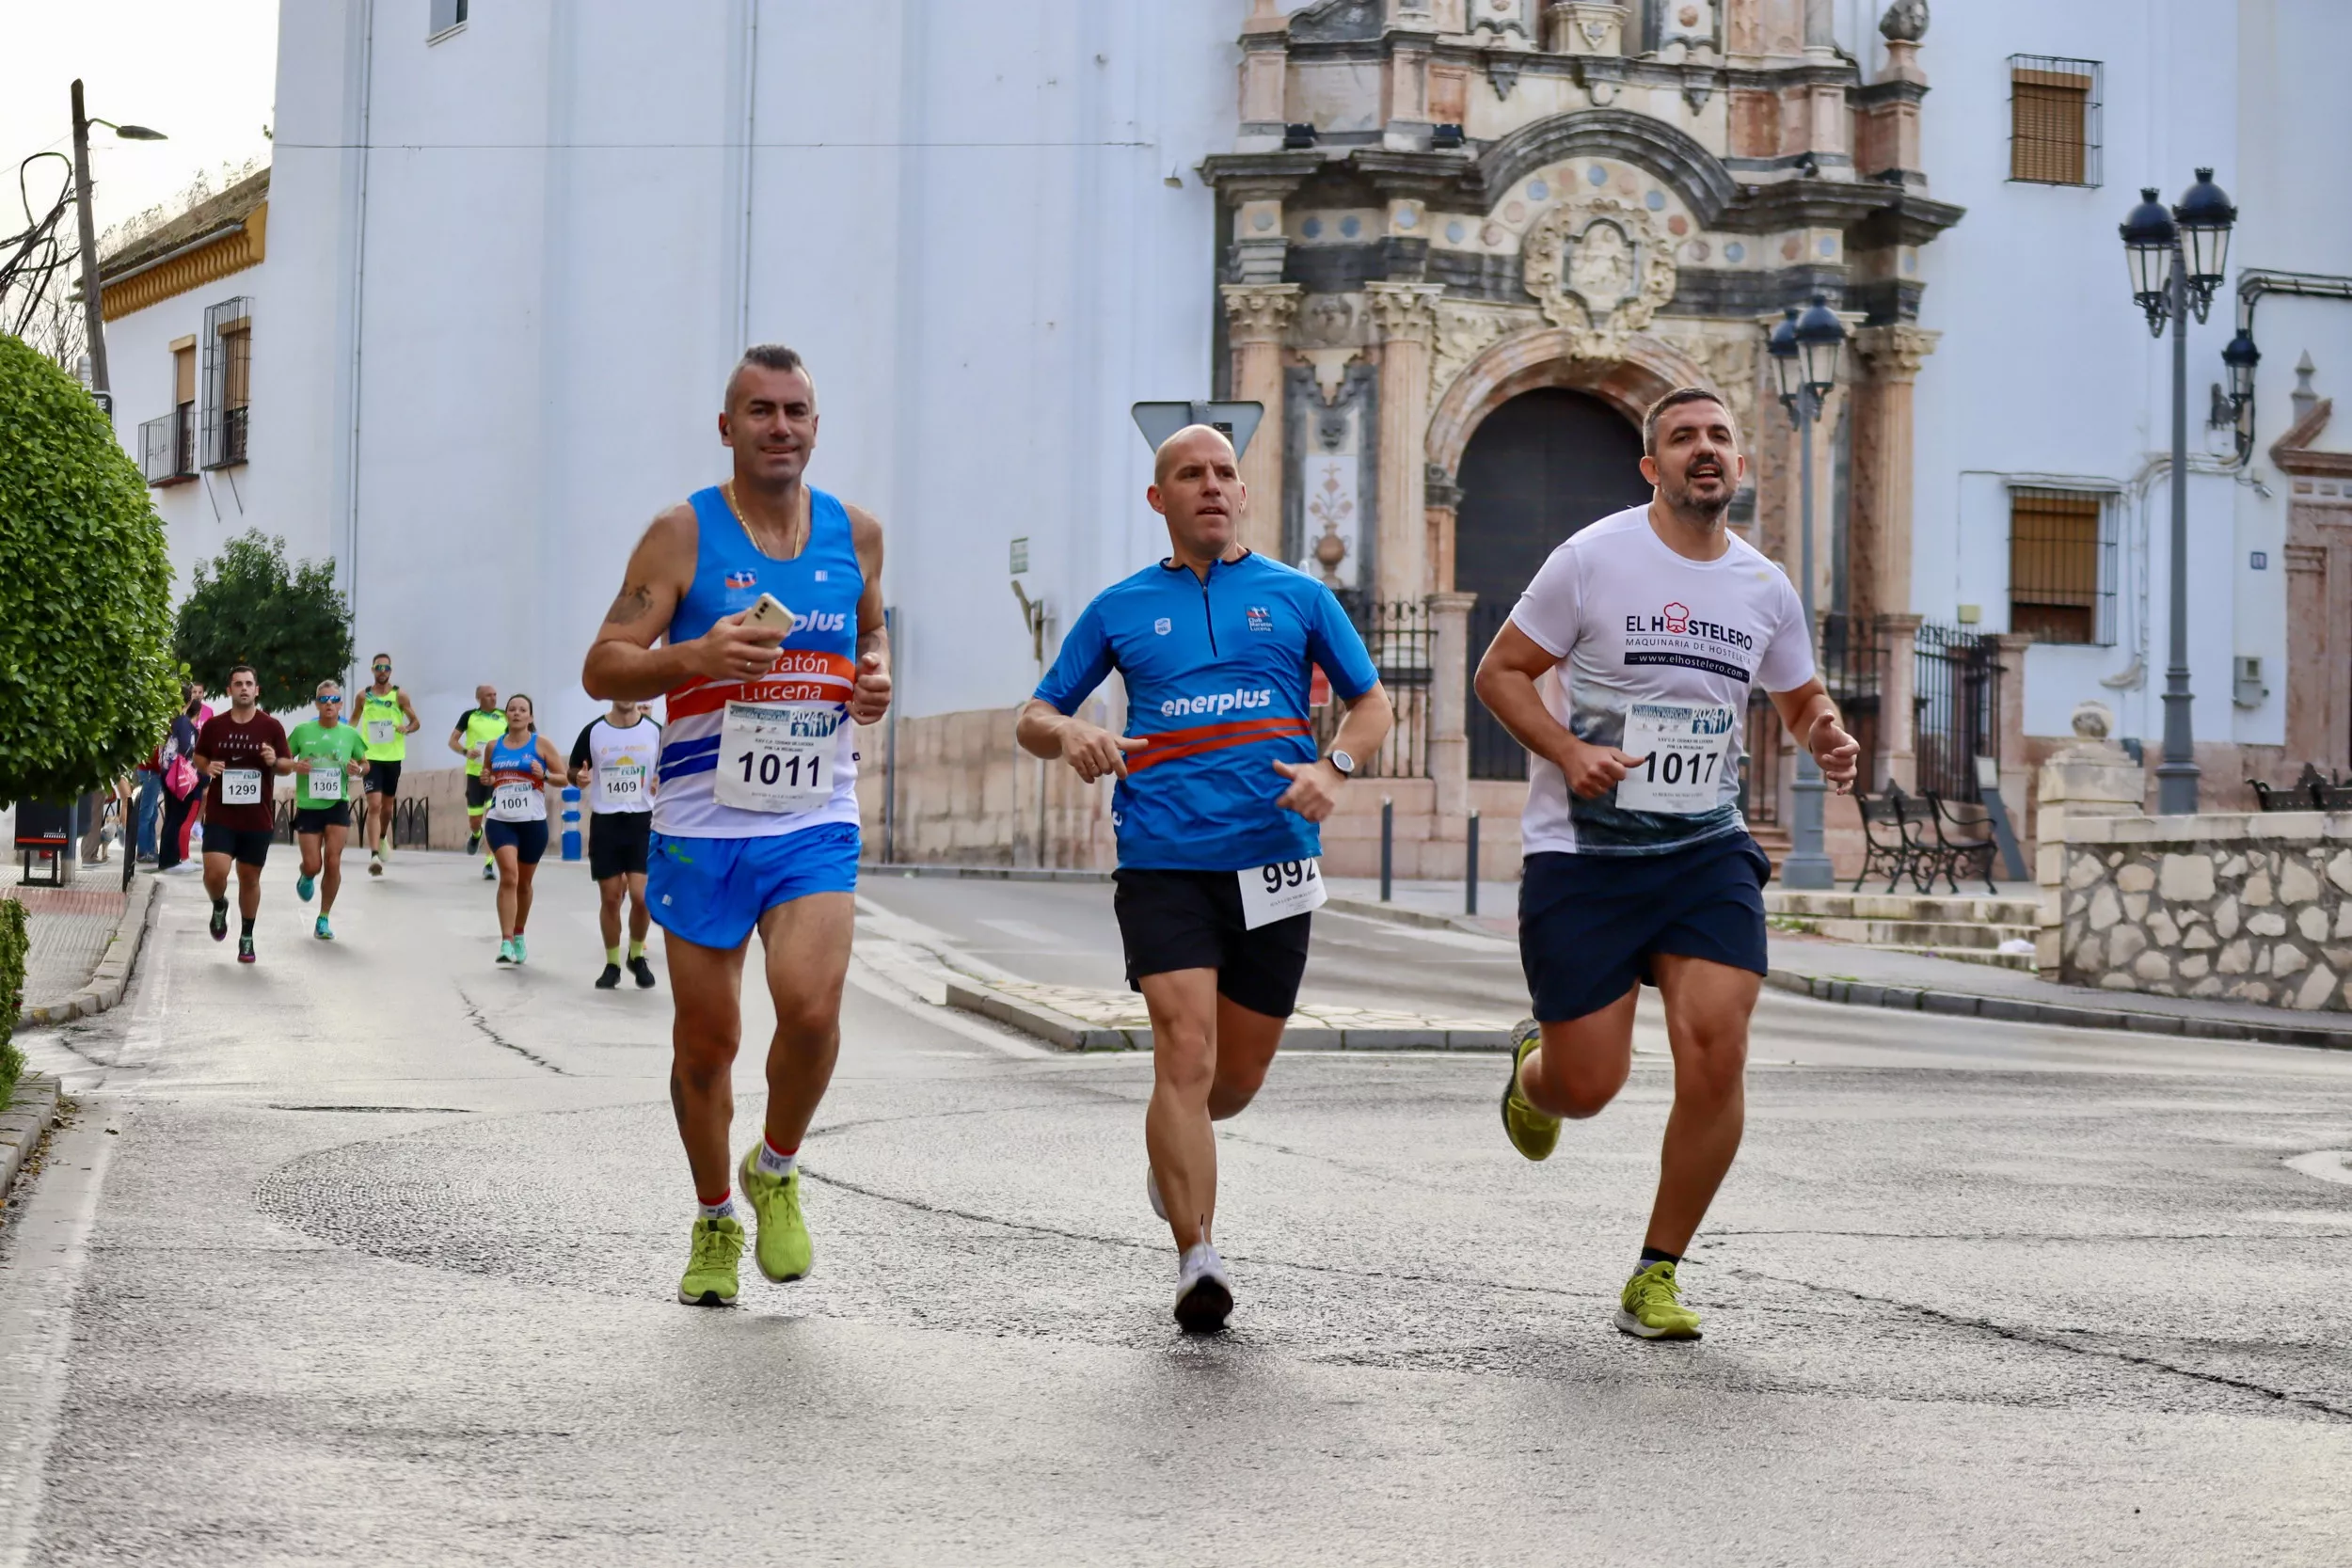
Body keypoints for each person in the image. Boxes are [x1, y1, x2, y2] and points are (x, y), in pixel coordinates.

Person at [1473, 387, 1860, 1342]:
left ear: (1740, 464)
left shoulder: (1763, 586)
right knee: (1589, 1084)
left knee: (1716, 1041)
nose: (1703, 450)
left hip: (1703, 850)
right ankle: (1537, 1072)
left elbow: (1800, 694)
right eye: (1681, 437)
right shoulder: (1591, 559)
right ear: (1650, 465)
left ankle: (1657, 1270)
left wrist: (1826, 733)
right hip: (1586, 854)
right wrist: (1568, 752)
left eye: (1718, 436)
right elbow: (1498, 672)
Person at [1017, 424, 1392, 1334]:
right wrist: (1071, 734)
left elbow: (1372, 703)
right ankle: (1197, 1255)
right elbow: (1035, 713)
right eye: (1192, 474)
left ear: (1244, 494)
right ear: (1161, 499)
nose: (1213, 486)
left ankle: (1173, 1148)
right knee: (1184, 1053)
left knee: (1233, 1078)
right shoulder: (1120, 608)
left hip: (1273, 862)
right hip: (1163, 861)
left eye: (1226, 472)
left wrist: (1332, 770)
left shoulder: (1299, 598)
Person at [582, 343, 891, 1308]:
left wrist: (875, 673)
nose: (780, 427)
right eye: (759, 411)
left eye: (795, 410)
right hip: (700, 819)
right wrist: (694, 654)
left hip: (814, 812)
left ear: (814, 422)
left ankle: (779, 1164)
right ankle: (716, 1211)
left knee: (810, 1008)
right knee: (706, 1040)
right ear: (728, 426)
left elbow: (872, 625)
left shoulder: (858, 533)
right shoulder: (681, 535)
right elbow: (603, 664)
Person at [190, 664, 292, 964]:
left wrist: (274, 761)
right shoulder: (215, 726)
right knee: (214, 874)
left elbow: (287, 765)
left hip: (256, 819)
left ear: (256, 690)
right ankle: (219, 905)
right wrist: (206, 768)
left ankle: (246, 936)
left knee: (249, 879)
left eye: (249, 683)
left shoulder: (271, 727)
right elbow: (199, 756)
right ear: (229, 690)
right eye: (238, 684)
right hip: (222, 816)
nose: (244, 688)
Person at [569, 697, 662, 990]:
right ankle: (612, 963)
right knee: (610, 898)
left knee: (641, 895)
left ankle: (636, 955)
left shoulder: (655, 730)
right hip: (607, 822)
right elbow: (573, 770)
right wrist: (579, 777)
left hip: (642, 822)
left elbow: (672, 768)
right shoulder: (593, 731)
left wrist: (663, 779)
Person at [482, 693, 565, 965]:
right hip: (500, 819)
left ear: (530, 717)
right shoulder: (494, 747)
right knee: (509, 875)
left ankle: (519, 934)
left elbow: (564, 777)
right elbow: (487, 775)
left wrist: (545, 775)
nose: (516, 713)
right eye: (512, 709)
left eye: (522, 710)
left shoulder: (541, 744)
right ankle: (505, 941)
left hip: (532, 822)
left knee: (524, 883)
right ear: (506, 715)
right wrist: (488, 778)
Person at [287, 678, 370, 941]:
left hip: (337, 804)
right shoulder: (302, 731)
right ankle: (306, 874)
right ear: (317, 704)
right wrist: (294, 766)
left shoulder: (350, 734)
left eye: (334, 700)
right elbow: (282, 759)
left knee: (333, 862)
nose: (329, 705)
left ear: (341, 704)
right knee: (314, 864)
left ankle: (323, 917)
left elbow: (365, 763)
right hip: (309, 806)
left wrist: (358, 769)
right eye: (324, 700)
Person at [355, 653, 420, 876]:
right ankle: (374, 856)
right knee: (373, 805)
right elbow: (353, 720)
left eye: (386, 667)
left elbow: (416, 722)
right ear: (372, 670)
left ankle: (382, 838)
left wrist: (407, 728)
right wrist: (346, 742)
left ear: (390, 671)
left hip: (392, 757)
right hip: (370, 756)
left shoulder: (399, 695)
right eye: (378, 667)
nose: (382, 671)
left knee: (387, 808)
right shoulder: (363, 696)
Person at [448, 684, 507, 879]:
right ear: (479, 698)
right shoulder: (469, 716)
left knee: (491, 817)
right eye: (489, 695)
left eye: (495, 694)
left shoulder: (504, 716)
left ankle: (489, 864)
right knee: (475, 821)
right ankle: (475, 834)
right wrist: (466, 751)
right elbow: (453, 741)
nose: (493, 698)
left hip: (497, 774)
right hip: (475, 774)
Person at [154, 683, 208, 874]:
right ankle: (171, 860)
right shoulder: (183, 722)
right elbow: (187, 748)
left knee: (171, 818)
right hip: (180, 777)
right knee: (177, 818)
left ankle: (169, 859)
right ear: (188, 700)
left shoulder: (169, 720)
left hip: (168, 774)